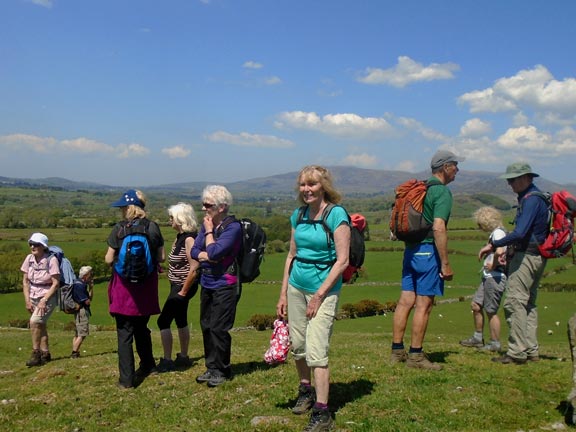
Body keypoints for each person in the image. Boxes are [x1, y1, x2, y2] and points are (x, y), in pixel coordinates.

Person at [276, 165, 350, 432]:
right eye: (302, 185)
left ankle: (322, 411)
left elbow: (343, 261)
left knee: (317, 351)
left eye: (312, 184)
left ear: (324, 186)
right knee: (297, 344)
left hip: (324, 290)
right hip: (296, 285)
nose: (306, 189)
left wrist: (319, 296)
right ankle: (305, 389)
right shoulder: (298, 215)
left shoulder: (336, 214)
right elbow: (291, 255)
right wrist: (283, 293)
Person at [391, 149, 464, 370]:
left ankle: (397, 352)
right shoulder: (441, 193)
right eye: (455, 165)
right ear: (446, 168)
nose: (457, 170)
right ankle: (415, 356)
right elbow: (439, 227)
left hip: (410, 251)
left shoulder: (421, 188)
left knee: (405, 301)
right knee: (424, 304)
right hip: (428, 252)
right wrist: (445, 262)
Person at [479, 163, 549, 365]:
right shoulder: (539, 197)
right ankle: (531, 350)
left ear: (526, 178)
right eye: (509, 180)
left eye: (513, 179)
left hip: (526, 256)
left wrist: (494, 245)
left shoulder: (530, 200)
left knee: (514, 302)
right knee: (529, 303)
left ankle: (517, 352)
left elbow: (520, 232)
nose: (510, 184)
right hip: (538, 255)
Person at [105, 189, 165, 388]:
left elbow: (107, 258)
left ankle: (127, 380)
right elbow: (161, 257)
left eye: (122, 207)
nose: (121, 210)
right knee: (141, 327)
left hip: (123, 289)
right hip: (145, 289)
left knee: (124, 333)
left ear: (128, 208)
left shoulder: (119, 229)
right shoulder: (153, 227)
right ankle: (148, 365)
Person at [191, 185, 242, 388]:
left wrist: (210, 234)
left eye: (208, 205)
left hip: (226, 284)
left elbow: (213, 252)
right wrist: (208, 254)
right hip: (208, 281)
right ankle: (211, 367)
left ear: (222, 207)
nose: (204, 209)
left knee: (219, 328)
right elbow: (195, 251)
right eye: (203, 204)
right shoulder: (206, 226)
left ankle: (222, 369)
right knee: (206, 325)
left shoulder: (233, 228)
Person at [156, 202, 199, 372]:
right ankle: (183, 356)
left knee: (163, 320)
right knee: (180, 319)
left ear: (180, 219)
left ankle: (167, 360)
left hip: (182, 286)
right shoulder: (180, 237)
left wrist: (182, 291)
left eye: (172, 217)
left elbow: (194, 267)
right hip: (177, 284)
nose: (169, 220)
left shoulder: (188, 239)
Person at [460, 207, 507, 352]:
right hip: (489, 277)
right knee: (476, 305)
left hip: (495, 277)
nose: (479, 227)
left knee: (491, 310)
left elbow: (500, 251)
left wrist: (492, 265)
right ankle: (477, 338)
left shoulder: (498, 233)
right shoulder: (497, 233)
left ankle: (495, 343)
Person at [21, 232, 60, 367]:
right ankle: (45, 353)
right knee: (40, 325)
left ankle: (36, 353)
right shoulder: (29, 259)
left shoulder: (51, 260)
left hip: (47, 296)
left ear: (43, 246)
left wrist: (44, 300)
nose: (32, 247)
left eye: (36, 244)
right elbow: (25, 281)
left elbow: (55, 283)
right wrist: (27, 300)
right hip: (33, 296)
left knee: (34, 322)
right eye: (31, 244)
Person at [71, 265, 94, 358]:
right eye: (90, 274)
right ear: (86, 275)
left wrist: (90, 287)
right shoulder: (80, 286)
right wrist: (91, 289)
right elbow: (88, 301)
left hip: (78, 310)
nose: (91, 276)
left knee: (78, 333)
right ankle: (74, 352)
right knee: (83, 333)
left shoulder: (77, 283)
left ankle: (75, 351)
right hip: (82, 310)